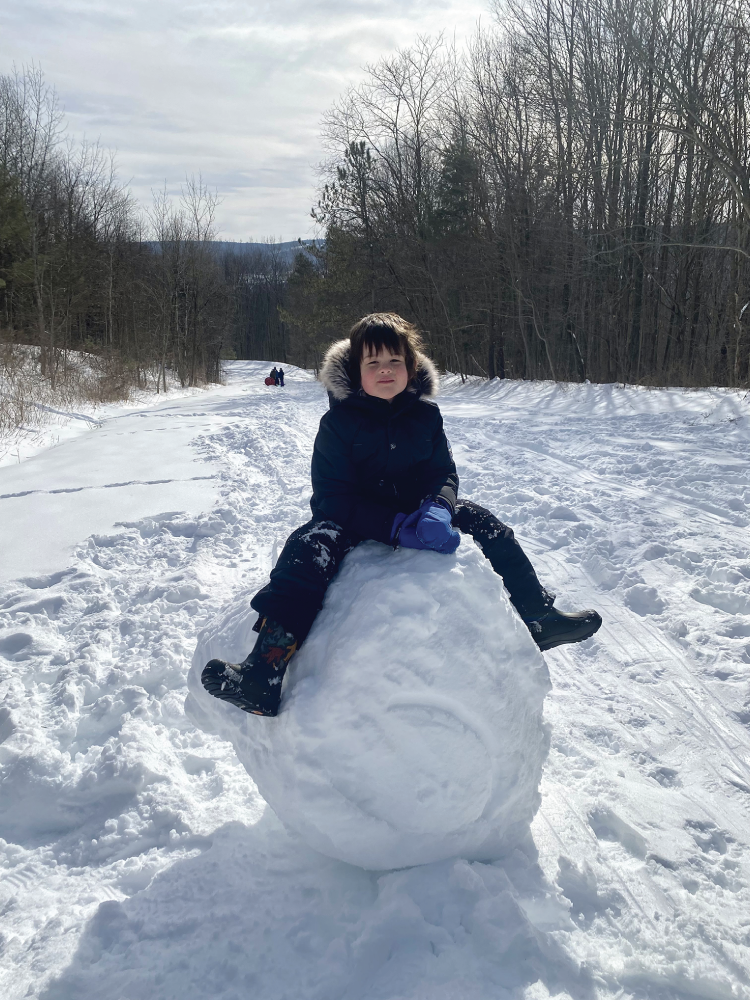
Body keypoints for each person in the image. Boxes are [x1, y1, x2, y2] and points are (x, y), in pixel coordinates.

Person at [202, 313, 602, 717]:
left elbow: (442, 472)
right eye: (372, 363)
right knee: (307, 548)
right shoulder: (338, 423)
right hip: (351, 519)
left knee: (486, 522)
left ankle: (537, 615)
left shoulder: (426, 416)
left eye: (394, 361)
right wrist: (392, 527)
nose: (385, 371)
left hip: (419, 510)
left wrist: (439, 508)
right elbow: (332, 497)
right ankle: (264, 672)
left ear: (411, 367)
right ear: (357, 372)